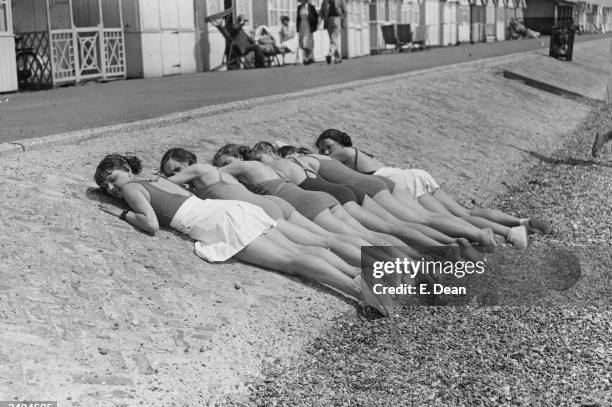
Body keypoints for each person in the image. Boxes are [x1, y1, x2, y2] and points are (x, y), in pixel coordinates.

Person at [94, 153, 391, 316]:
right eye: (105, 185)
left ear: (125, 169)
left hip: (220, 223)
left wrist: (120, 212)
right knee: (303, 247)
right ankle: (359, 274)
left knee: (294, 260)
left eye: (112, 178)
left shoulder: (132, 187)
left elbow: (150, 223)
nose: (111, 188)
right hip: (229, 210)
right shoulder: (154, 177)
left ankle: (360, 292)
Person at [249, 141, 485, 262]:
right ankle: (455, 243)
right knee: (417, 220)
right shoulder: (308, 157)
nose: (258, 162)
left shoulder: (272, 166)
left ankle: (439, 251)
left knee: (389, 229)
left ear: (268, 153)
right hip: (370, 183)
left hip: (350, 192)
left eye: (258, 156)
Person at [314, 129, 551, 239]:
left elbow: (321, 164)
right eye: (322, 148)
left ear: (339, 142)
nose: (325, 151)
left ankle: (510, 234)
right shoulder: (356, 152)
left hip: (402, 184)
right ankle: (521, 222)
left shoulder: (344, 153)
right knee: (465, 211)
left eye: (328, 146)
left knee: (457, 219)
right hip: (412, 175)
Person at [159, 147, 368, 266]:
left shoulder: (198, 170)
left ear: (187, 162)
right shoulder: (216, 172)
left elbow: (165, 185)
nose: (174, 175)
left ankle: (376, 269)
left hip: (265, 212)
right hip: (273, 204)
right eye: (171, 172)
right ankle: (386, 263)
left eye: (176, 169)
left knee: (316, 244)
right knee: (329, 238)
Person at [319, 0, 346, 64]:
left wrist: (342, 20)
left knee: (333, 39)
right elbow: (321, 12)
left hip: (337, 20)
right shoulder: (325, 0)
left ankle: (330, 55)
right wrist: (319, 22)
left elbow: (345, 12)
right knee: (333, 40)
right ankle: (338, 58)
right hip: (328, 21)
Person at [296, 0, 318, 65]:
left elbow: (315, 17)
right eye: (300, 0)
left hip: (309, 25)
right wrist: (297, 28)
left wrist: (315, 25)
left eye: (302, 0)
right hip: (302, 25)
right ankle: (309, 57)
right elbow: (298, 18)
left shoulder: (311, 7)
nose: (301, 1)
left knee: (307, 41)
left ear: (305, 0)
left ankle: (307, 58)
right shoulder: (299, 7)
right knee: (302, 42)